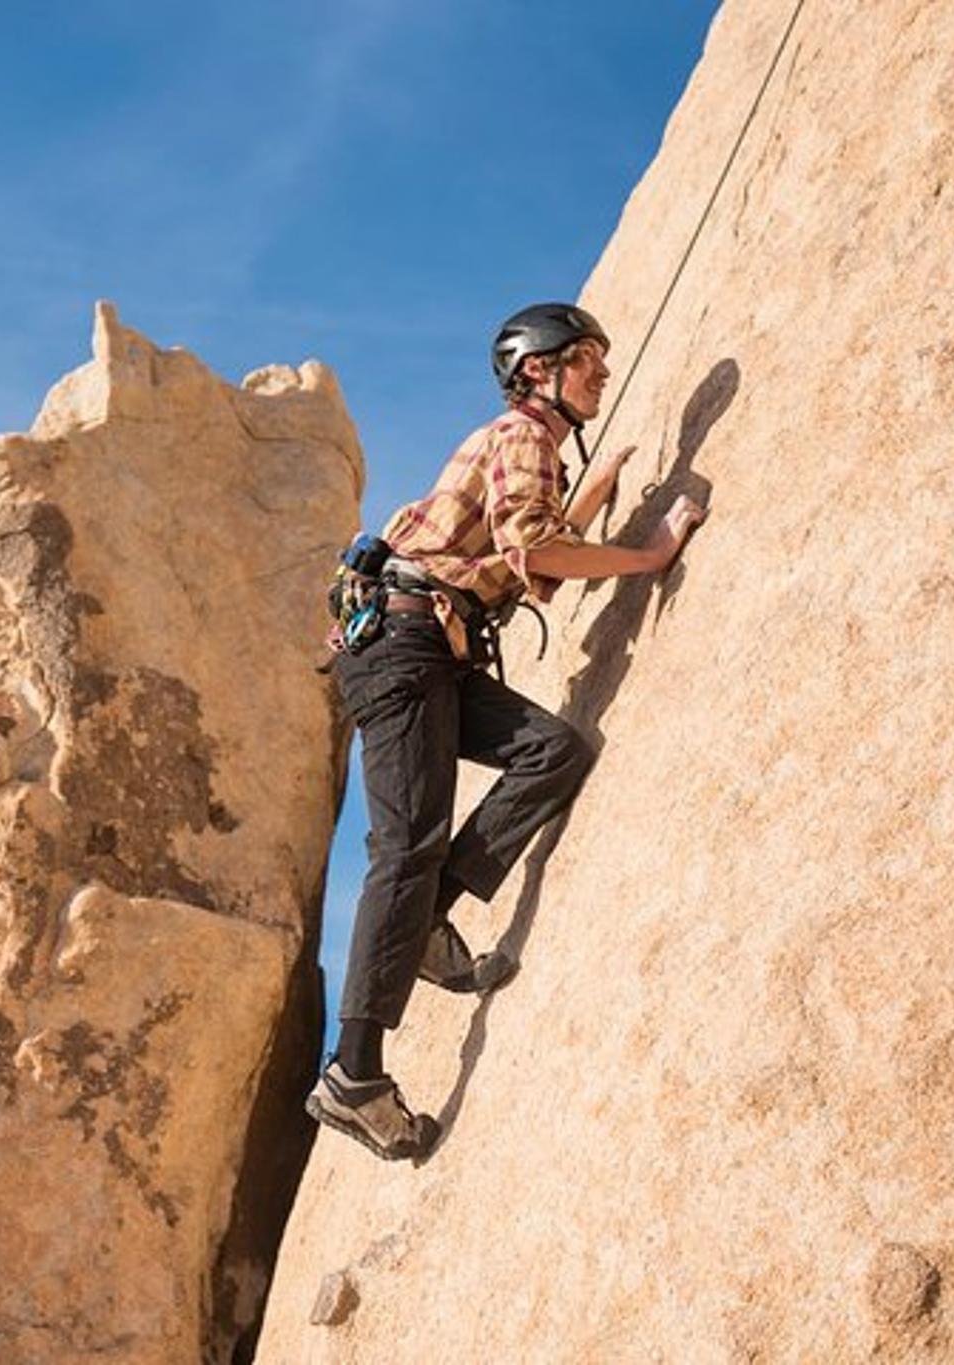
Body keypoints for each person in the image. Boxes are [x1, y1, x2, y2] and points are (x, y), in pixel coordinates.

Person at [306, 302, 706, 1160]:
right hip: (408, 651)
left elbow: (537, 570)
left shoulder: (536, 452)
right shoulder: (524, 434)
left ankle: (428, 927)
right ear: (537, 372)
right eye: (586, 358)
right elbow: (538, 550)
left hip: (425, 651)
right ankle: (355, 1073)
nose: (601, 370)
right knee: (407, 846)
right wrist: (649, 556)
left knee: (551, 750)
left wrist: (593, 497)